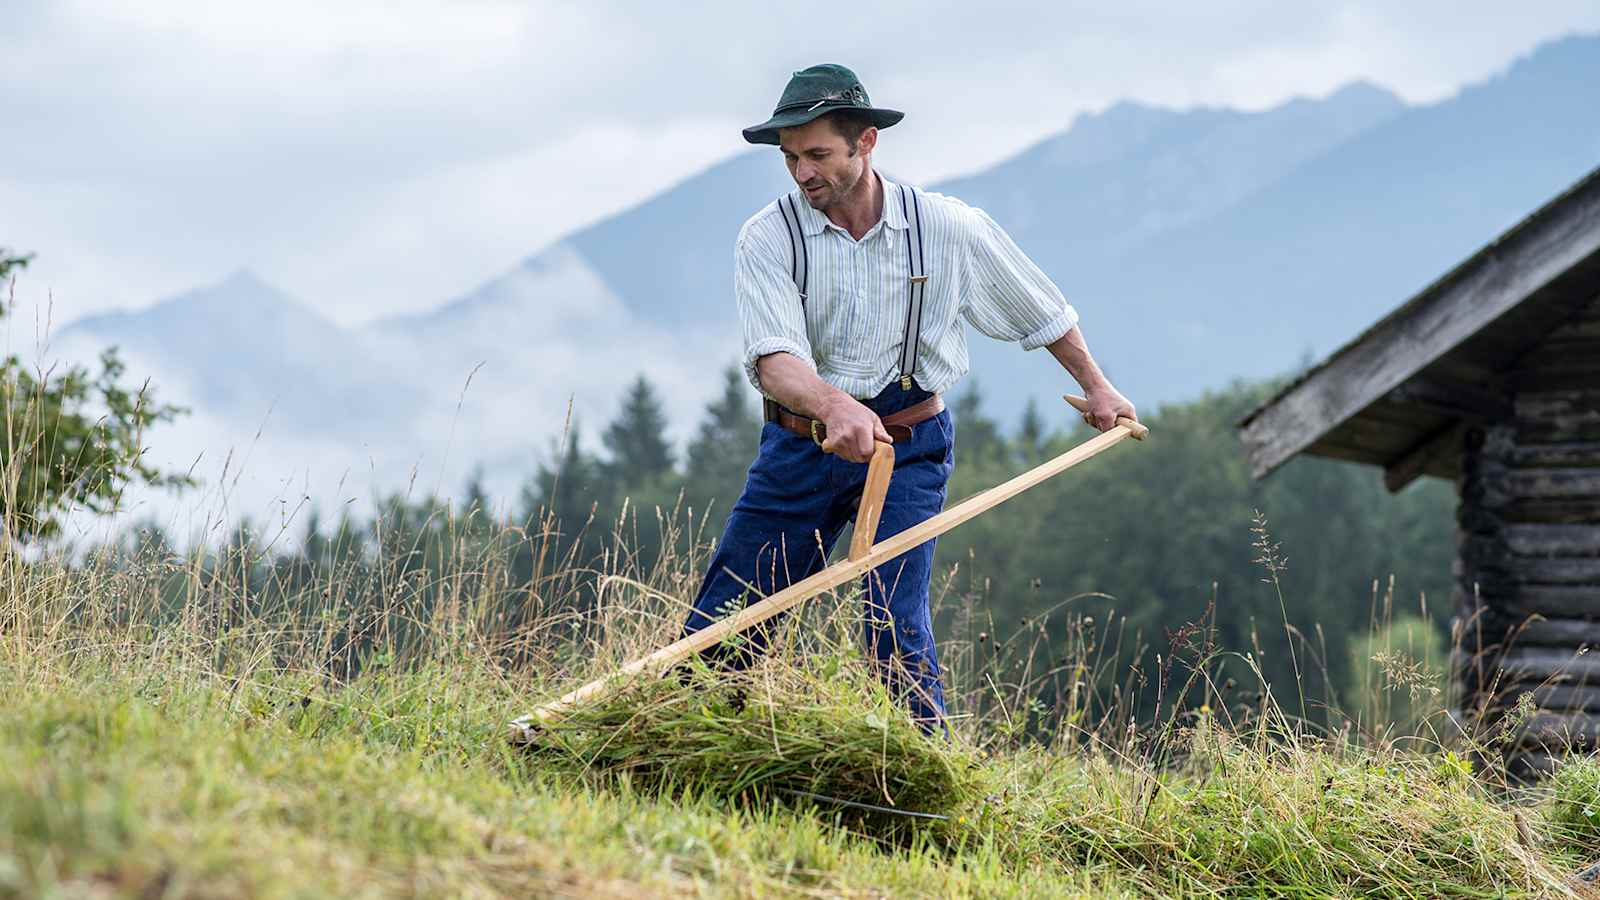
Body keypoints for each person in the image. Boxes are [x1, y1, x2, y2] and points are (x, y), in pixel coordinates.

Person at [679, 63, 1137, 733]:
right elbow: (775, 359)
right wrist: (834, 407)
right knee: (733, 613)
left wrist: (1097, 387)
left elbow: (1040, 310)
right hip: (799, 448)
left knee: (891, 620)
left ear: (866, 143)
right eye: (790, 159)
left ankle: (926, 768)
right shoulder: (768, 236)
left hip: (911, 449)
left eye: (817, 154)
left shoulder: (949, 227)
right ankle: (683, 739)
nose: (802, 173)